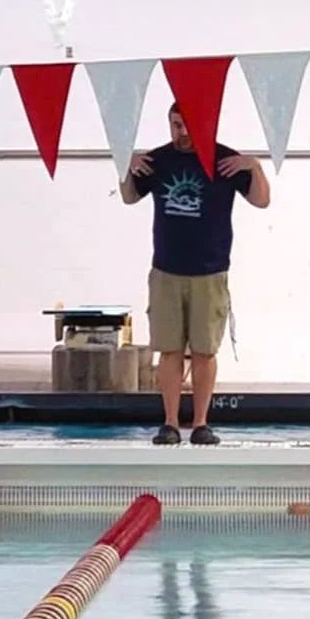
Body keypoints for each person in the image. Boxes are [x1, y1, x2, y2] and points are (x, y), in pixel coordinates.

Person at [121, 101, 270, 446]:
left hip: (210, 272)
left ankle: (201, 423)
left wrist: (256, 167)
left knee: (205, 351)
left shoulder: (227, 160)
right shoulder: (157, 161)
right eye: (175, 125)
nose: (181, 133)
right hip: (166, 271)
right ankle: (170, 423)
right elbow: (129, 197)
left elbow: (262, 201)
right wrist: (125, 167)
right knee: (169, 351)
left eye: (187, 125)